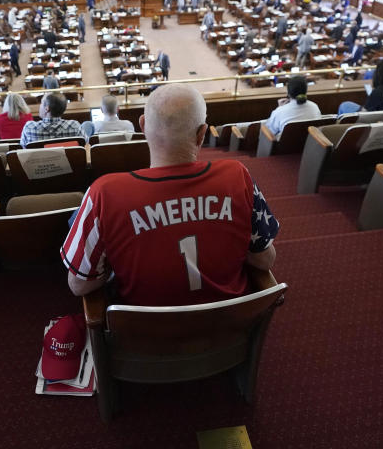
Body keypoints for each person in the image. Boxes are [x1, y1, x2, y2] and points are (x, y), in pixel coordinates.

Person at [60, 84, 278, 306]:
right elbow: (265, 259)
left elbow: (79, 285)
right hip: (230, 327)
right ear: (202, 133)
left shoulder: (103, 194)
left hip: (144, 335)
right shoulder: (238, 177)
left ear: (142, 125)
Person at [19, 92, 83, 147]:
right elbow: (84, 144)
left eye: (41, 103)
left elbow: (23, 147)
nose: (40, 106)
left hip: (39, 161)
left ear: (47, 109)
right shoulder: (75, 126)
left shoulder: (29, 127)